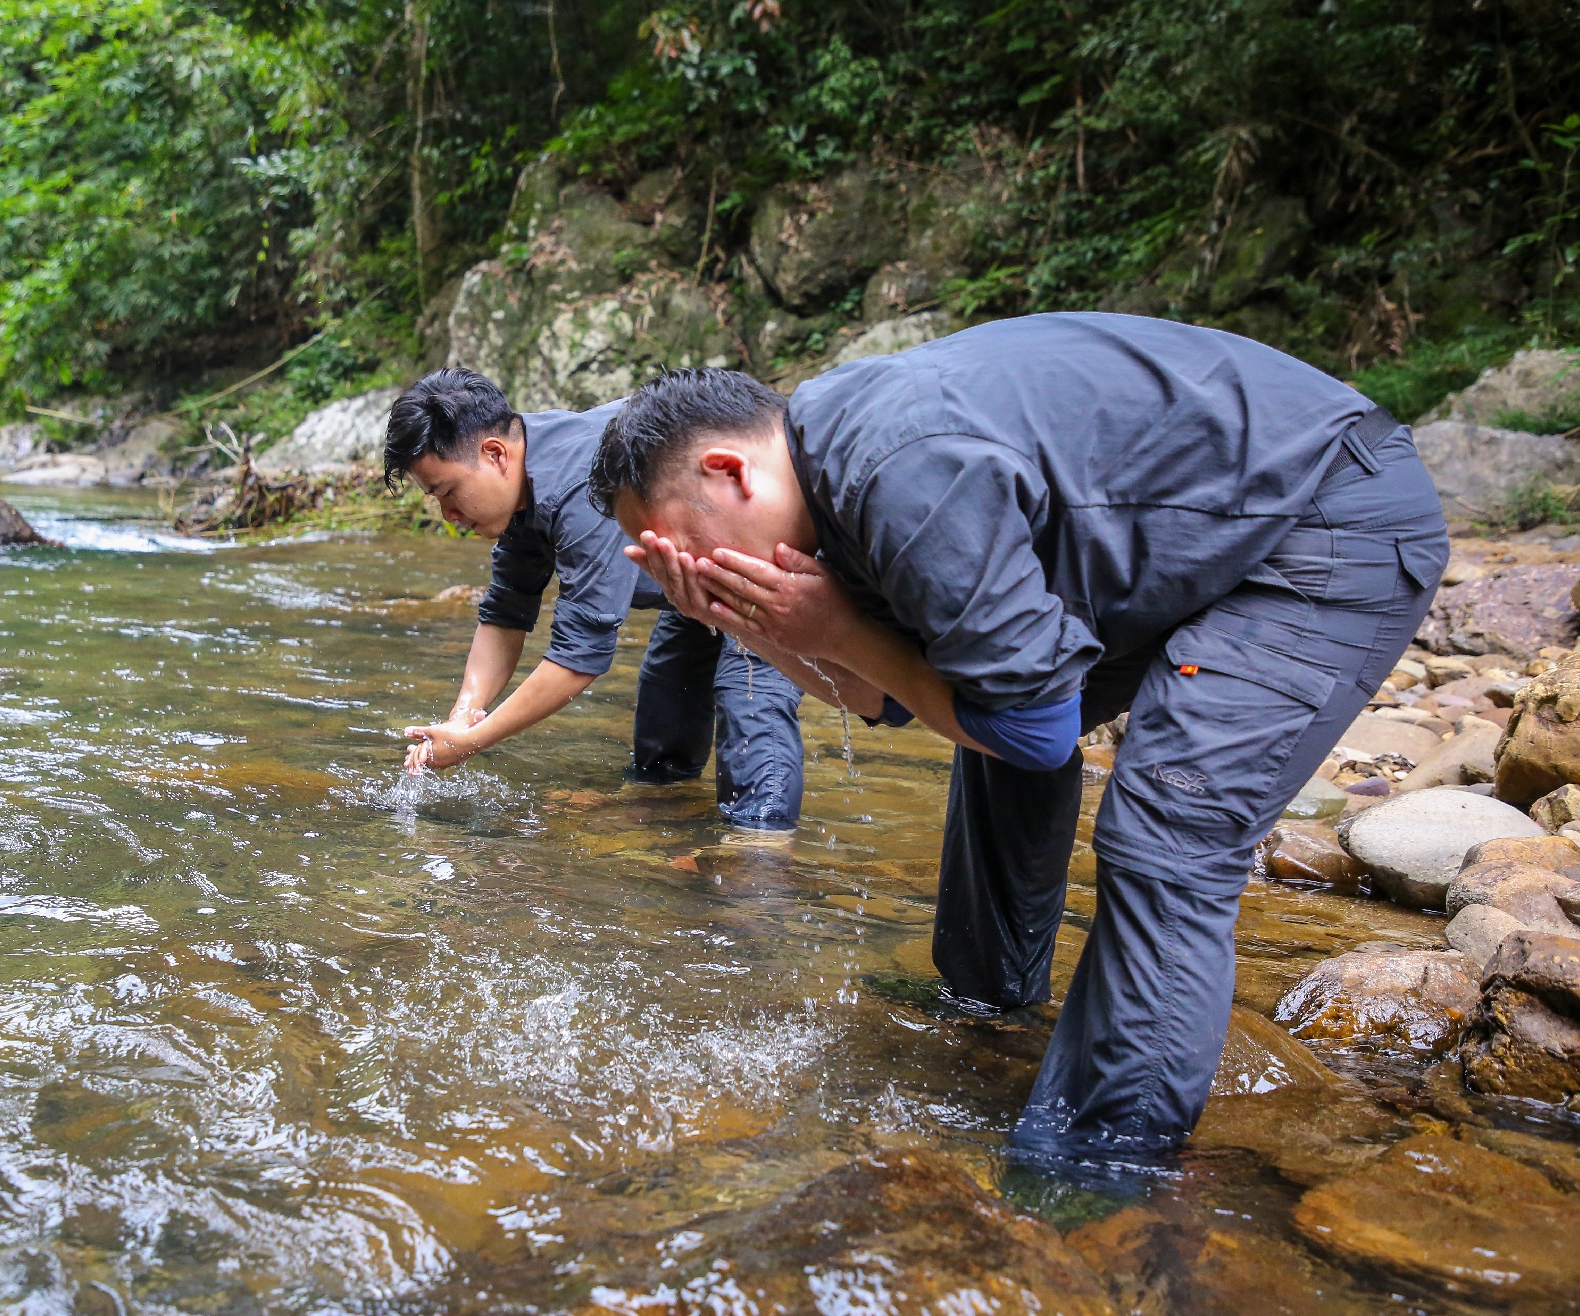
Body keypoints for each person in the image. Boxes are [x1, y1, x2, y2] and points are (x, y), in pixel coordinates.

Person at [584, 314, 1448, 1167]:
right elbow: (888, 696)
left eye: (682, 550)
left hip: (1327, 518)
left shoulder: (897, 471)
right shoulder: (821, 482)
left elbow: (1037, 732)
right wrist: (750, 621)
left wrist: (836, 629)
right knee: (981, 701)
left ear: (728, 469)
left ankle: (1104, 1160)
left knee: (1165, 829)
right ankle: (987, 1006)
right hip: (1194, 534)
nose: (683, 572)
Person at [383, 367, 805, 830]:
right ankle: (666, 818)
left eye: (448, 492)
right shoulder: (522, 483)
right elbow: (505, 614)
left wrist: (473, 740)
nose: (448, 514)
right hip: (692, 577)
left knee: (748, 695)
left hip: (766, 551)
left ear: (494, 453)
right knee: (667, 696)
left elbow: (578, 657)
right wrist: (463, 716)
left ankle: (761, 851)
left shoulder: (578, 487)